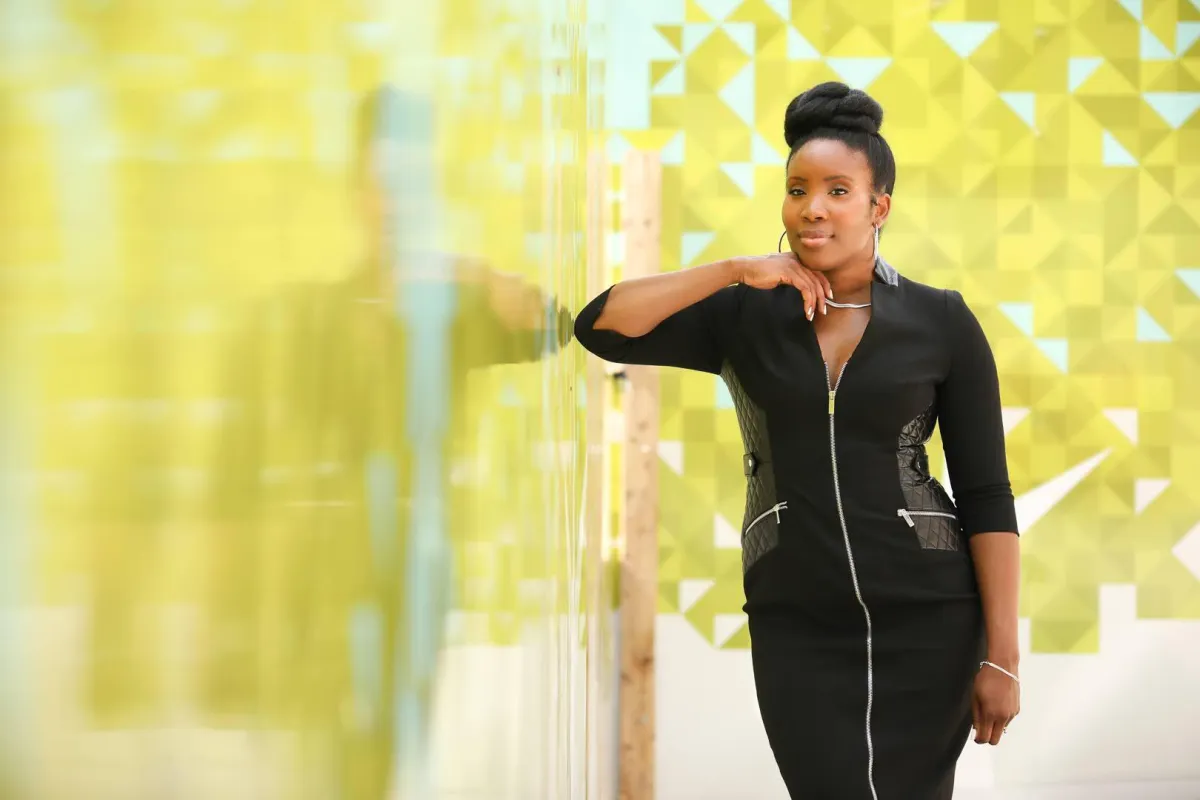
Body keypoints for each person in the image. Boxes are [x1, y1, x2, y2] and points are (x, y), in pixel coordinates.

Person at [574, 81, 1022, 799]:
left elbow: (987, 495)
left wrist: (1003, 656)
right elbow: (601, 326)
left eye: (838, 191)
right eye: (797, 189)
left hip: (929, 616)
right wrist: (733, 271)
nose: (813, 207)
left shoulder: (940, 321)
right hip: (796, 620)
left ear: (878, 207)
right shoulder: (743, 316)